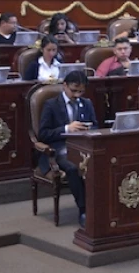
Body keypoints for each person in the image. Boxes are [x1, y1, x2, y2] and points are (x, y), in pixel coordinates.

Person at [37, 70, 97, 227]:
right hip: (59, 149)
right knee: (73, 168)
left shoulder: (87, 103)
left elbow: (96, 125)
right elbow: (43, 134)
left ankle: (101, 207)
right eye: (74, 90)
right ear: (64, 86)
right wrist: (66, 128)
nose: (77, 95)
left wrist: (89, 129)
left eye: (81, 91)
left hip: (84, 147)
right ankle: (84, 210)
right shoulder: (51, 105)